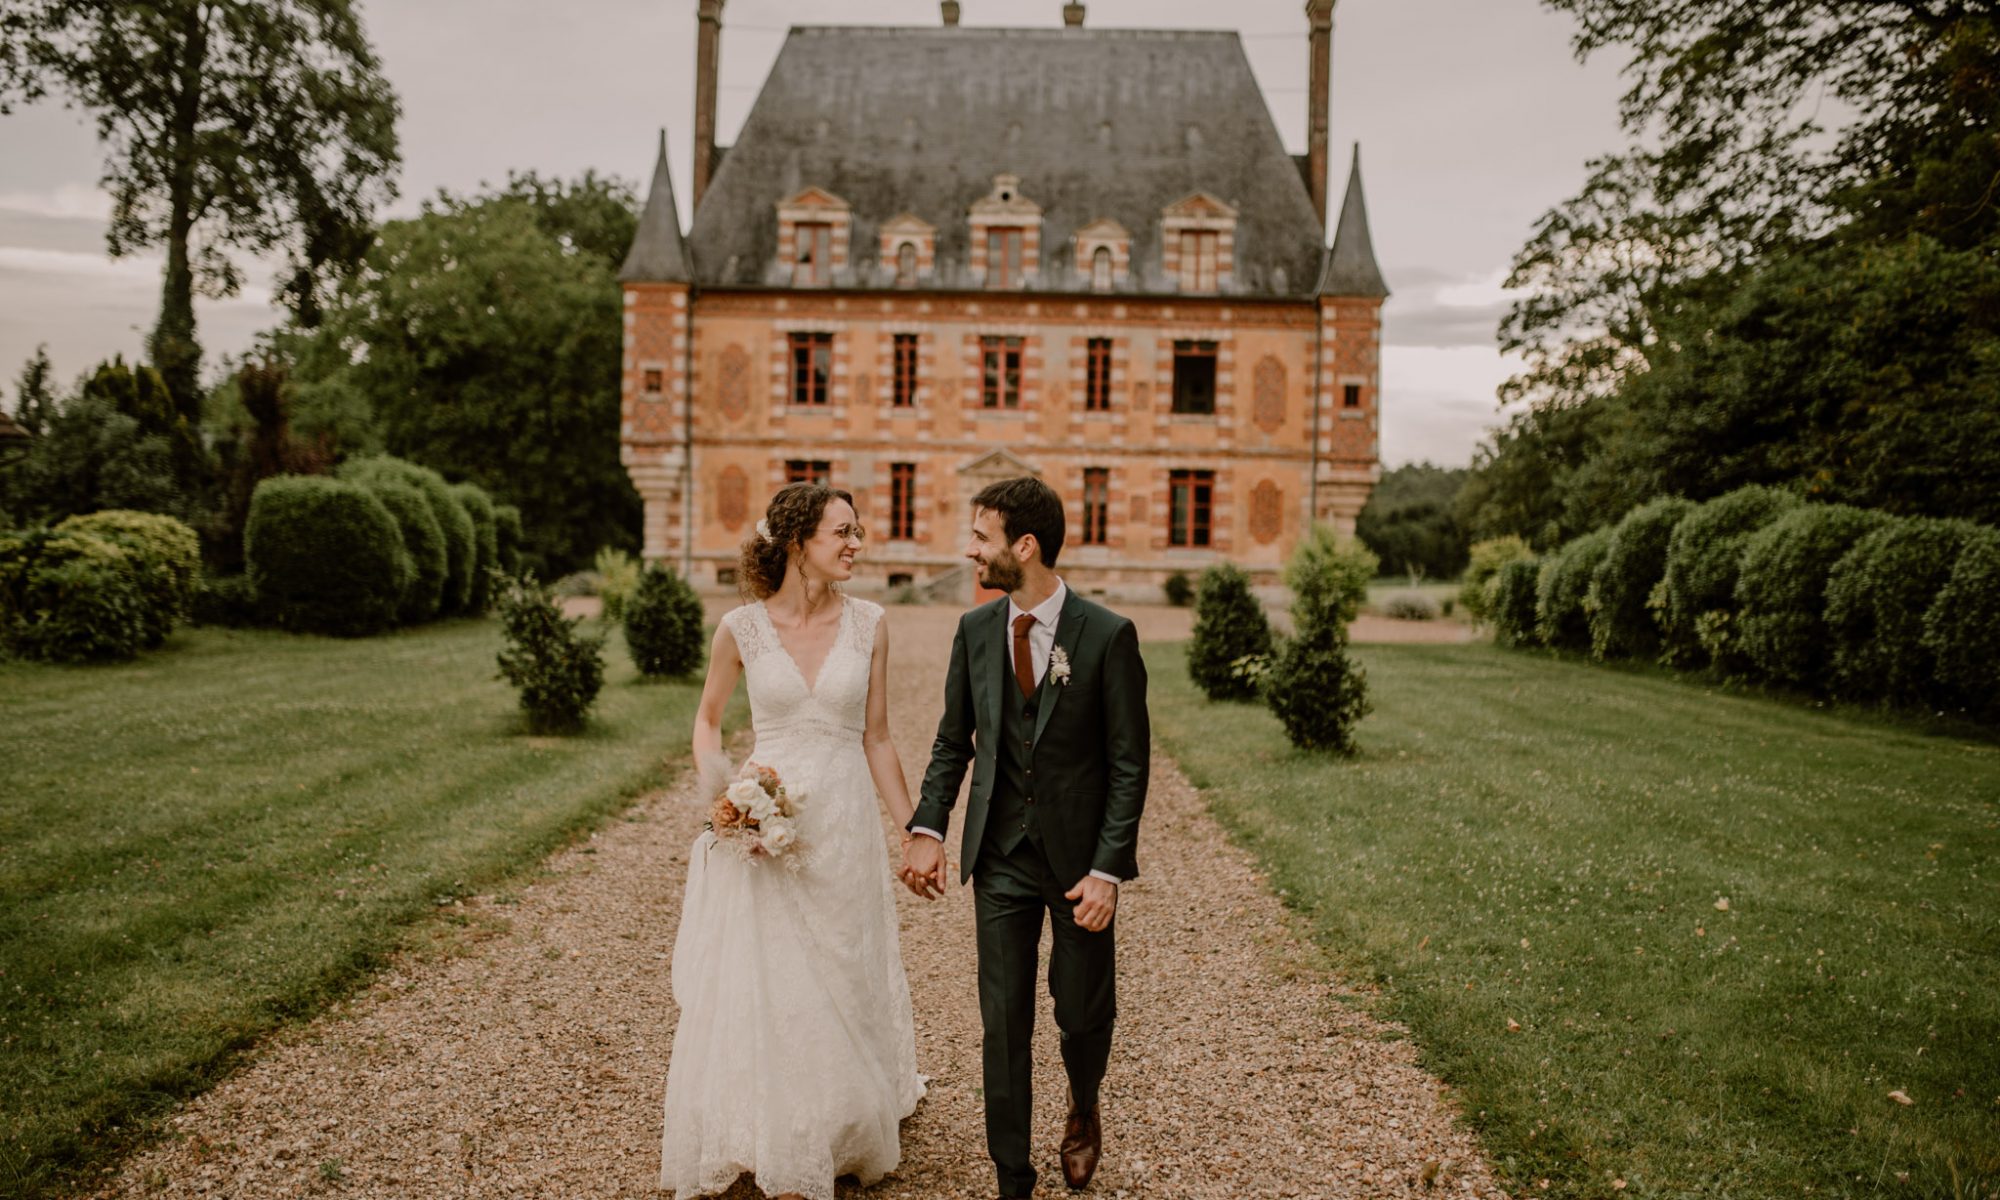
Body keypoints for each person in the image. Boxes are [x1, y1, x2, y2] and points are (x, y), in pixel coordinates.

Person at [660, 483, 928, 1200]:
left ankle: (841, 1118)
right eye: (842, 531)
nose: (856, 543)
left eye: (857, 530)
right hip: (763, 822)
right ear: (796, 542)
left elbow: (876, 737)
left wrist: (914, 829)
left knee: (843, 967)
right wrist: (724, 792)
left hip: (841, 822)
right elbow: (708, 719)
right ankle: (772, 1123)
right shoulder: (740, 629)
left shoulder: (871, 623)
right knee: (773, 974)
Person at [900, 476, 1150, 1199]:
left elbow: (1129, 764)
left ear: (1025, 545)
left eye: (981, 537)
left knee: (1080, 1013)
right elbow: (954, 742)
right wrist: (927, 827)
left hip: (1078, 866)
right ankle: (1013, 1176)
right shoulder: (976, 632)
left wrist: (1107, 870)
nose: (970, 550)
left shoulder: (1107, 636)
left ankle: (1083, 1103)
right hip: (1001, 858)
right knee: (1003, 1024)